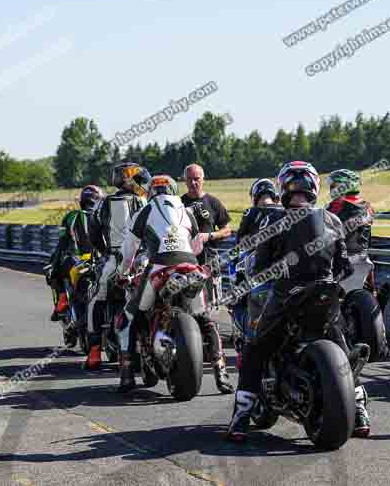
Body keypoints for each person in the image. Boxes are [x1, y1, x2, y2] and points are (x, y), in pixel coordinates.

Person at [226, 161, 373, 442]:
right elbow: (345, 268)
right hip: (326, 295)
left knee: (256, 347)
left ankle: (241, 417)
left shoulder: (275, 220)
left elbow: (260, 268)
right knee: (344, 351)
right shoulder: (332, 219)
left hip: (287, 296)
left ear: (284, 187)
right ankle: (359, 409)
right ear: (314, 187)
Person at [115, 175, 210, 392]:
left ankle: (127, 374)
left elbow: (129, 248)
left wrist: (122, 273)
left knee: (129, 316)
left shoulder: (146, 210)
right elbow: (197, 247)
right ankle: (219, 364)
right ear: (174, 190)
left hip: (159, 268)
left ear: (150, 192)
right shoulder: (187, 211)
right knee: (204, 316)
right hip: (191, 267)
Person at [84, 162, 151, 370]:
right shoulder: (145, 202)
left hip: (116, 259)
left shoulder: (104, 204)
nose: (142, 183)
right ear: (129, 180)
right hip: (143, 259)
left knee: (97, 298)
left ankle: (94, 352)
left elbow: (93, 233)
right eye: (138, 179)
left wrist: (104, 251)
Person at [179, 164, 234, 393]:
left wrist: (209, 235)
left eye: (198, 178)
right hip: (181, 264)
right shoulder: (177, 203)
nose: (194, 182)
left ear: (204, 178)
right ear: (184, 180)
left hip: (207, 265)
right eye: (190, 179)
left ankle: (220, 370)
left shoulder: (213, 202)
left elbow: (228, 229)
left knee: (206, 314)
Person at [326, 169, 390, 338]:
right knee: (372, 292)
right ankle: (380, 330)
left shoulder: (335, 206)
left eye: (334, 185)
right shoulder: (368, 206)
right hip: (363, 258)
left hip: (338, 261)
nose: (331, 189)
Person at [231, 178, 285, 368]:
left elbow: (238, 244)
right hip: (283, 271)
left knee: (237, 302)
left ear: (255, 197)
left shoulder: (250, 212)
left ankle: (246, 350)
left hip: (256, 270)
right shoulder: (286, 211)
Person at [47, 185, 104, 322]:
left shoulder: (70, 217)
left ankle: (61, 300)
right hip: (102, 260)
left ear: (82, 201)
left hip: (76, 261)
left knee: (52, 270)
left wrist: (53, 265)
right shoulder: (103, 216)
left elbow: (62, 244)